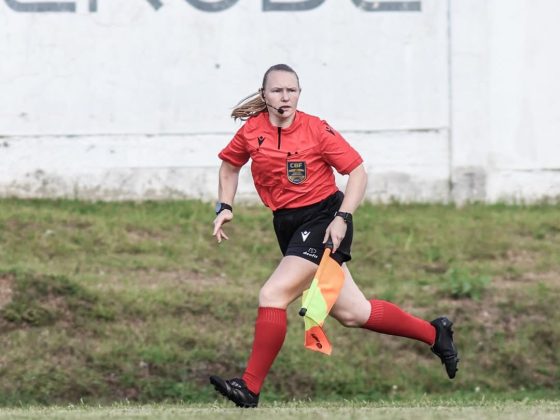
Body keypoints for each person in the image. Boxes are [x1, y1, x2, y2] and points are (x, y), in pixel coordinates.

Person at [209, 64, 459, 408]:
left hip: (325, 220)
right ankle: (435, 333)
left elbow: (357, 172)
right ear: (264, 94)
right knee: (355, 312)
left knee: (273, 294)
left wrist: (343, 218)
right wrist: (225, 205)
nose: (285, 97)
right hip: (288, 225)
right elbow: (230, 165)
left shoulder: (316, 129)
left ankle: (249, 387)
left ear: (299, 94)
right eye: (277, 90)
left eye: (292, 90)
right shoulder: (252, 131)